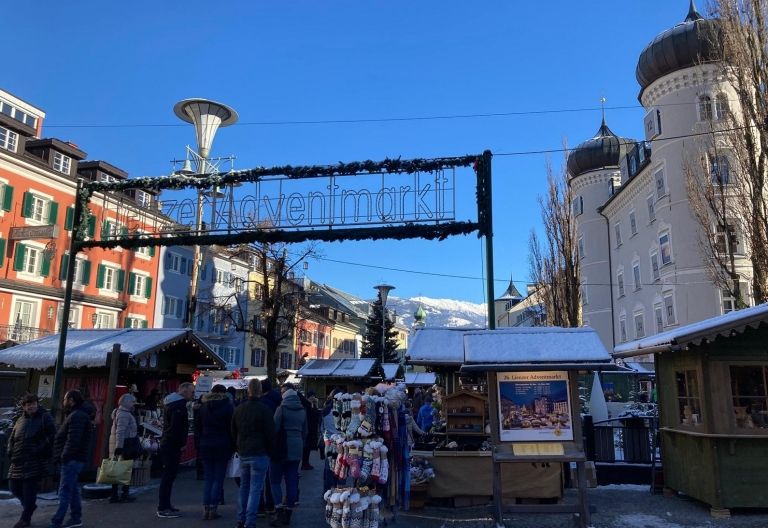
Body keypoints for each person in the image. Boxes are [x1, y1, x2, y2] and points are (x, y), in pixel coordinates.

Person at [7, 393, 55, 528]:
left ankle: (25, 518)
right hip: (18, 460)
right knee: (14, 487)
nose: (31, 407)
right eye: (28, 405)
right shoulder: (20, 420)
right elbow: (12, 437)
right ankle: (29, 507)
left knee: (29, 491)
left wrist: (39, 448)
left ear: (37, 404)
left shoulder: (44, 417)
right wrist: (10, 450)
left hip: (35, 461)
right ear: (24, 407)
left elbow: (51, 435)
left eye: (33, 404)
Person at [232, 378, 275, 528]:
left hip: (244, 451)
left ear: (248, 390)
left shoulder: (239, 409)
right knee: (255, 489)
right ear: (260, 391)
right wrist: (270, 451)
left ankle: (241, 519)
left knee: (244, 487)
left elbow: (233, 431)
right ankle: (250, 521)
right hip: (260, 452)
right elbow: (270, 433)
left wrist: (237, 447)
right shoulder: (264, 410)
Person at [50, 390, 92, 528]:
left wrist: (64, 456)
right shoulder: (78, 415)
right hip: (75, 458)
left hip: (72, 459)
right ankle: (76, 517)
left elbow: (73, 439)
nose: (63, 402)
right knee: (72, 489)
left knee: (65, 490)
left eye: (65, 399)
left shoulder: (77, 416)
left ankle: (57, 521)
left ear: (71, 400)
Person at [195, 384, 234, 520]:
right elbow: (231, 428)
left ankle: (206, 508)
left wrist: (199, 444)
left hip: (206, 444)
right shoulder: (227, 407)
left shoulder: (203, 407)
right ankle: (213, 508)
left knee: (208, 478)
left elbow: (198, 428)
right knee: (218, 478)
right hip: (222, 444)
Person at [269, 387, 307, 527]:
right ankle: (289, 511)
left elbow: (274, 428)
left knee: (275, 480)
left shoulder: (281, 408)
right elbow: (305, 431)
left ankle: (279, 509)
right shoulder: (302, 411)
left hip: (281, 448)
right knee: (292, 480)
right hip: (297, 447)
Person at [156, 382, 195, 519]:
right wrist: (181, 443)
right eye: (191, 391)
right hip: (171, 444)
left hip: (169, 443)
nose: (193, 394)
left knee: (169, 476)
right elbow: (176, 428)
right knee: (168, 476)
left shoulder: (172, 404)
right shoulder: (178, 406)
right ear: (184, 391)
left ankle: (166, 504)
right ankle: (163, 507)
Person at [108, 393, 138, 503]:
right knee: (126, 469)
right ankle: (122, 494)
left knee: (118, 469)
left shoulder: (119, 412)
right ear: (126, 402)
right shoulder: (124, 414)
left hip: (119, 445)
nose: (134, 404)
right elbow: (120, 431)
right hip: (124, 445)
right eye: (132, 402)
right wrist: (119, 447)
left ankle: (116, 494)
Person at [299, 391, 318, 471]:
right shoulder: (305, 404)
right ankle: (304, 463)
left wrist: (314, 404)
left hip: (312, 429)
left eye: (314, 396)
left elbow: (315, 414)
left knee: (308, 447)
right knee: (306, 447)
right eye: (311, 396)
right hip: (307, 428)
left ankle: (306, 462)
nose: (313, 398)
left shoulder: (312, 404)